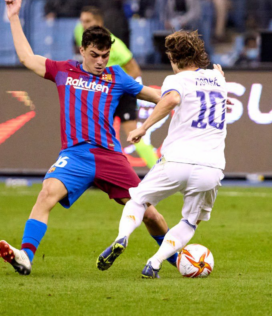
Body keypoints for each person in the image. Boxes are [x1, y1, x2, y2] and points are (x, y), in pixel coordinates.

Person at [0, 0, 178, 276]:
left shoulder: (117, 75)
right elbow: (26, 57)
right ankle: (26, 256)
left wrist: (186, 101)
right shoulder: (63, 71)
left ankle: (177, 259)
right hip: (75, 155)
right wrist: (13, 17)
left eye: (105, 55)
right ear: (82, 50)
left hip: (110, 157)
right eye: (94, 55)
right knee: (46, 195)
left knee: (149, 212)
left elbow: (158, 97)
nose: (100, 61)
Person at [97, 30, 227, 279]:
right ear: (198, 54)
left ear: (172, 58)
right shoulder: (218, 79)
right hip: (210, 167)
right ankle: (154, 263)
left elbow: (171, 100)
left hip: (177, 160)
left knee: (138, 201)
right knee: (189, 222)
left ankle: (122, 237)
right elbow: (211, 90)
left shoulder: (176, 80)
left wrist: (143, 128)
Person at [73, 7, 159, 168]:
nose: (83, 25)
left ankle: (160, 170)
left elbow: (134, 70)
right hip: (100, 94)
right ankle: (97, 173)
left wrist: (120, 89)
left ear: (99, 22)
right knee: (95, 135)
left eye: (88, 21)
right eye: (82, 21)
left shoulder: (115, 45)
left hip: (121, 94)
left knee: (132, 133)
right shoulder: (79, 33)